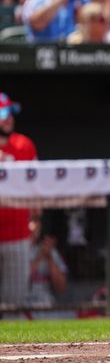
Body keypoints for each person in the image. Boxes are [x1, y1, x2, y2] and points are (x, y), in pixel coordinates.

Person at [0, 92, 38, 308]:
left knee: (14, 304)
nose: (8, 118)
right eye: (3, 113)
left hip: (17, 235)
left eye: (10, 112)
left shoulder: (24, 145)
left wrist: (37, 221)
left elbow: (36, 188)